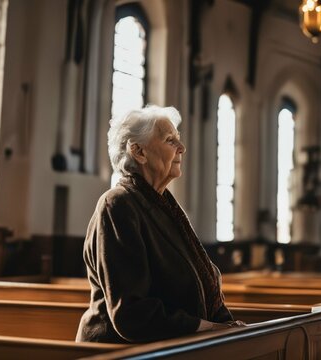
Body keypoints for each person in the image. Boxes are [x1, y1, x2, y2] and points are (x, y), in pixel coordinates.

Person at [76, 105, 243, 344]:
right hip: (118, 352)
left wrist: (228, 327)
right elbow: (132, 314)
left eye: (179, 139)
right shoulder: (117, 205)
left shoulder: (166, 208)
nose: (182, 148)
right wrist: (210, 329)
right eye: (170, 140)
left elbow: (201, 287)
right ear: (138, 151)